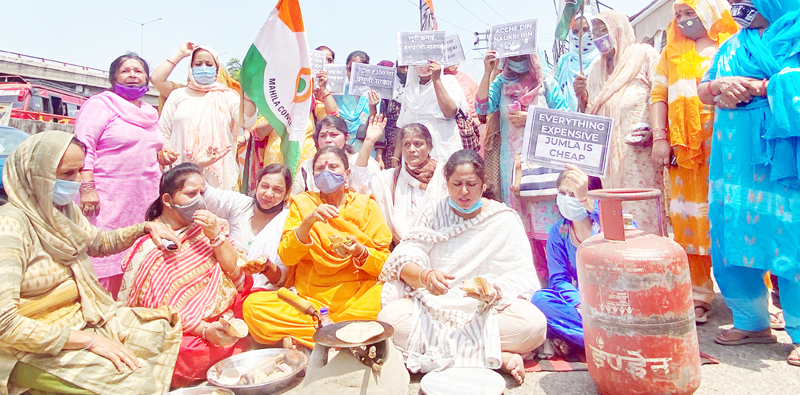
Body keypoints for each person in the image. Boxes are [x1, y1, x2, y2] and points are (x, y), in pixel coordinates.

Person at [0, 131, 182, 394]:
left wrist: (145, 228)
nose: (76, 182)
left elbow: (96, 243)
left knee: (159, 330)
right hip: (28, 346)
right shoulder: (10, 225)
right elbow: (5, 324)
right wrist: (89, 341)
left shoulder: (61, 210)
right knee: (135, 385)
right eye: (66, 174)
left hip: (81, 317)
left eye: (78, 171)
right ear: (35, 173)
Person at [378, 150, 546, 385]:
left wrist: (494, 289)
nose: (464, 191)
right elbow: (404, 259)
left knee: (533, 326)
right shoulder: (432, 212)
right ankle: (497, 356)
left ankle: (439, 355)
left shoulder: (503, 217)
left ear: (483, 183)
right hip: (433, 307)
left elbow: (523, 274)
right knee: (390, 321)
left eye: (471, 184)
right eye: (456, 184)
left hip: (488, 310)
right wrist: (426, 276)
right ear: (446, 184)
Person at [697, 0, 800, 367]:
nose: (737, 7)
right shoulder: (731, 45)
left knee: (792, 236)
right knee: (732, 232)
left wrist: (759, 88)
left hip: (784, 156)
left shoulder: (795, 35)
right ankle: (752, 321)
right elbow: (704, 88)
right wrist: (717, 86)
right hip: (734, 155)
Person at [119, 163, 253, 387]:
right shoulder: (150, 246)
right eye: (191, 194)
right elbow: (156, 307)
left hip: (224, 313)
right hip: (190, 328)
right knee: (181, 350)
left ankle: (230, 344)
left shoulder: (204, 226)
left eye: (201, 193)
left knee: (256, 304)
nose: (199, 200)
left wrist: (215, 236)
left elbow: (238, 274)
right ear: (168, 200)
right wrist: (205, 329)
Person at [243, 147, 392, 348]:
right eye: (320, 168)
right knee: (254, 308)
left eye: (333, 166)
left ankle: (317, 339)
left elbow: (384, 263)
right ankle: (343, 338)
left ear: (347, 174)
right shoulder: (303, 203)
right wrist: (309, 221)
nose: (326, 171)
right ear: (313, 175)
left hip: (355, 297)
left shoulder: (366, 206)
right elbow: (287, 257)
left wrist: (360, 251)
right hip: (309, 301)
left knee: (385, 301)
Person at [649, 0, 738, 323]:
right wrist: (661, 137)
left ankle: (750, 299)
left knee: (734, 216)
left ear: (711, 13)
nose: (685, 20)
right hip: (684, 153)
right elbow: (658, 95)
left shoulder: (732, 45)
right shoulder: (670, 52)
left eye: (691, 13)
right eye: (679, 15)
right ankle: (699, 293)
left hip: (727, 147)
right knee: (689, 221)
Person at [73, 53, 164, 298]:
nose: (133, 75)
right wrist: (87, 186)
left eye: (139, 71)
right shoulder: (100, 104)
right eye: (126, 71)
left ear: (147, 78)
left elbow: (149, 150)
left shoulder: (150, 112)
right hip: (106, 198)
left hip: (143, 199)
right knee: (103, 254)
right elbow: (83, 147)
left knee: (135, 255)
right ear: (114, 77)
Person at [476, 50, 569, 285]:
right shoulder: (500, 82)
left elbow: (566, 116)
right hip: (512, 165)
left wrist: (532, 118)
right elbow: (481, 109)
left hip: (544, 166)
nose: (517, 61)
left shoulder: (545, 82)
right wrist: (488, 71)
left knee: (547, 225)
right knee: (519, 224)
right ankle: (530, 282)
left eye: (522, 55)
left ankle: (558, 279)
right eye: (513, 56)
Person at [573, 10, 664, 235]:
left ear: (619, 29)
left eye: (603, 30)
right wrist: (581, 98)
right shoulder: (595, 69)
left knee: (645, 217)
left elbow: (661, 95)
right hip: (609, 164)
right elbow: (591, 117)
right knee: (618, 220)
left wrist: (656, 133)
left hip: (640, 156)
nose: (597, 37)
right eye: (594, 33)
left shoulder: (643, 55)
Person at [159, 45, 257, 191]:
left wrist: (249, 95)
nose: (203, 67)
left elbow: (246, 120)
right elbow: (163, 131)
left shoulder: (227, 95)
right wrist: (164, 154)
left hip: (218, 178)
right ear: (190, 68)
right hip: (180, 171)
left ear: (217, 70)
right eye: (198, 64)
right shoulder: (178, 95)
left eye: (209, 64)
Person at [531, 165, 601, 355]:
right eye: (563, 193)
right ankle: (602, 341)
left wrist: (588, 202)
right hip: (580, 307)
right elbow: (558, 279)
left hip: (613, 300)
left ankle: (581, 339)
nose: (568, 199)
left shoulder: (605, 222)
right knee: (540, 300)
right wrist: (579, 303)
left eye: (575, 194)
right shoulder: (558, 231)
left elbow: (627, 232)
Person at [352, 117, 448, 244]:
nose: (412, 149)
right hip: (402, 247)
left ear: (429, 147)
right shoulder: (391, 178)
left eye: (418, 144)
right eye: (406, 144)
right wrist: (369, 141)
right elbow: (359, 184)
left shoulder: (445, 175)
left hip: (440, 243)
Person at [204, 163, 292, 291]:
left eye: (277, 190)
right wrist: (200, 165)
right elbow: (206, 195)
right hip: (227, 283)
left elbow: (282, 278)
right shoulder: (240, 204)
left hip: (261, 293)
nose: (268, 194)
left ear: (287, 194)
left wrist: (266, 268)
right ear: (257, 185)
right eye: (264, 186)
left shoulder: (287, 222)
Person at [397, 60, 468, 163]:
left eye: (428, 59)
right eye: (419, 60)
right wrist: (395, 157)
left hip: (443, 152)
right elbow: (402, 127)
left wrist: (437, 80)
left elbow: (450, 112)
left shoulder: (448, 81)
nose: (423, 64)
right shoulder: (409, 89)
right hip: (413, 155)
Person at [291, 115, 381, 195]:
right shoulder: (308, 165)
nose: (328, 140)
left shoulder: (363, 161)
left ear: (347, 138)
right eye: (322, 136)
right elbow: (296, 199)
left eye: (333, 135)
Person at [553, 16, 601, 112]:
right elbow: (553, 92)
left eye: (585, 29)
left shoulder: (601, 60)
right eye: (575, 31)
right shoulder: (563, 62)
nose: (581, 35)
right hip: (563, 122)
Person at [334, 50, 379, 151]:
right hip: (341, 148)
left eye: (358, 70)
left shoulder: (372, 94)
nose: (353, 74)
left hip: (364, 148)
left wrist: (373, 106)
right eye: (350, 69)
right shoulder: (337, 93)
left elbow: (374, 126)